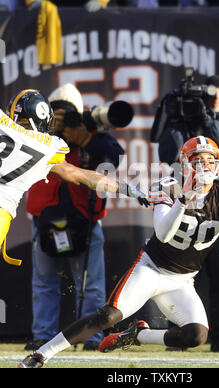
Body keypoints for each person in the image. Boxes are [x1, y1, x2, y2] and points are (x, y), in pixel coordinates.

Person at [18, 135, 219, 368]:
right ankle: (42, 354)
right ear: (185, 163)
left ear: (218, 163)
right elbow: (163, 234)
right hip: (151, 268)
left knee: (196, 336)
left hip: (182, 280)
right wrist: (182, 201)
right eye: (198, 160)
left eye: (210, 160)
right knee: (108, 317)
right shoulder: (170, 186)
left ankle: (137, 335)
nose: (205, 166)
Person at [24, 84, 124, 351]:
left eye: (68, 114)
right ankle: (42, 336)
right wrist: (50, 132)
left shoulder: (90, 131)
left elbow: (114, 159)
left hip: (86, 217)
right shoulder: (36, 131)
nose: (63, 119)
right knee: (44, 282)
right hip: (45, 215)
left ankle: (91, 337)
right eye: (56, 114)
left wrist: (87, 140)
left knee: (91, 284)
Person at [0, 88, 149, 268]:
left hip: (78, 217)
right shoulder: (45, 149)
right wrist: (123, 187)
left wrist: (86, 139)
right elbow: (80, 176)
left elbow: (109, 154)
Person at [156, 74, 219, 352]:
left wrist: (209, 120)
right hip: (189, 203)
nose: (216, 95)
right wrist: (175, 120)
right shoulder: (182, 119)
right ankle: (178, 334)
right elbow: (167, 153)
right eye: (212, 90)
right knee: (177, 271)